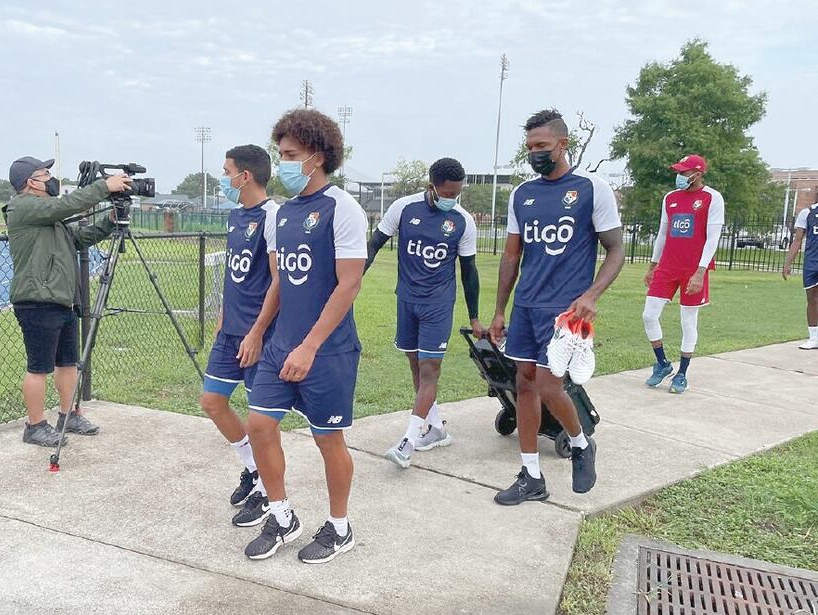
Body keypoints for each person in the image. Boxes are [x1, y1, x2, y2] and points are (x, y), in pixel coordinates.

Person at [244, 109, 367, 564]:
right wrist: (259, 330)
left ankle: (339, 527)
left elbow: (349, 284)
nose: (284, 163)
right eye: (281, 154)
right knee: (259, 425)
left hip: (327, 351)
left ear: (317, 156)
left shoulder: (343, 208)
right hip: (281, 345)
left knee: (327, 440)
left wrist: (310, 346)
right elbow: (280, 281)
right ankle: (281, 516)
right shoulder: (282, 214)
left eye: (291, 154)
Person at [488, 109, 624, 506]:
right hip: (526, 305)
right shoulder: (521, 194)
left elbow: (616, 249)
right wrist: (500, 310)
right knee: (524, 385)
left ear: (562, 144)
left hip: (565, 311)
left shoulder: (592, 189)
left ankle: (581, 443)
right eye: (530, 146)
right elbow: (511, 256)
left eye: (542, 145)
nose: (535, 153)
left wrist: (592, 295)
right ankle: (531, 475)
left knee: (550, 386)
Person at [3, 156, 131, 447]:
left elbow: (78, 238)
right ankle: (35, 426)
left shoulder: (49, 218)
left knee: (67, 363)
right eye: (45, 174)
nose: (51, 179)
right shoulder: (23, 207)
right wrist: (104, 187)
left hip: (61, 298)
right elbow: (65, 206)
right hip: (37, 300)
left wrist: (110, 221)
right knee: (38, 367)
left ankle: (68, 415)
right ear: (31, 182)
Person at [364, 157, 482, 468]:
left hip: (438, 304)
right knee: (416, 364)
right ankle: (437, 428)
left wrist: (474, 316)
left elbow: (469, 271)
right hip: (407, 300)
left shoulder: (463, 221)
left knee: (430, 369)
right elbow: (373, 245)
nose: (452, 198)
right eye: (448, 193)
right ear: (431, 187)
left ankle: (408, 442)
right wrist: (351, 282)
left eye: (457, 193)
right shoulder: (403, 208)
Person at [200, 144, 280, 525]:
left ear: (244, 176)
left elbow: (278, 280)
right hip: (229, 331)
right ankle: (253, 468)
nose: (223, 178)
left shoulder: (273, 216)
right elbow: (236, 276)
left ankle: (267, 492)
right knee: (212, 401)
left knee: (261, 420)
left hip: (257, 335)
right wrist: (222, 316)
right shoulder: (235, 216)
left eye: (226, 171)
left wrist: (258, 332)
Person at [642, 154, 725, 392]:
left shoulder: (712, 198)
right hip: (667, 266)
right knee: (649, 315)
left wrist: (700, 272)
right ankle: (662, 363)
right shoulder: (670, 198)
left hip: (693, 268)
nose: (679, 176)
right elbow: (663, 233)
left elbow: (713, 238)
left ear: (697, 174)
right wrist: (653, 266)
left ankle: (682, 373)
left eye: (683, 172)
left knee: (688, 320)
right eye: (678, 172)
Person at [783, 193, 818, 350]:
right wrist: (788, 263)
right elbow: (797, 240)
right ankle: (814, 338)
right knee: (812, 299)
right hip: (812, 262)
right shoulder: (807, 213)